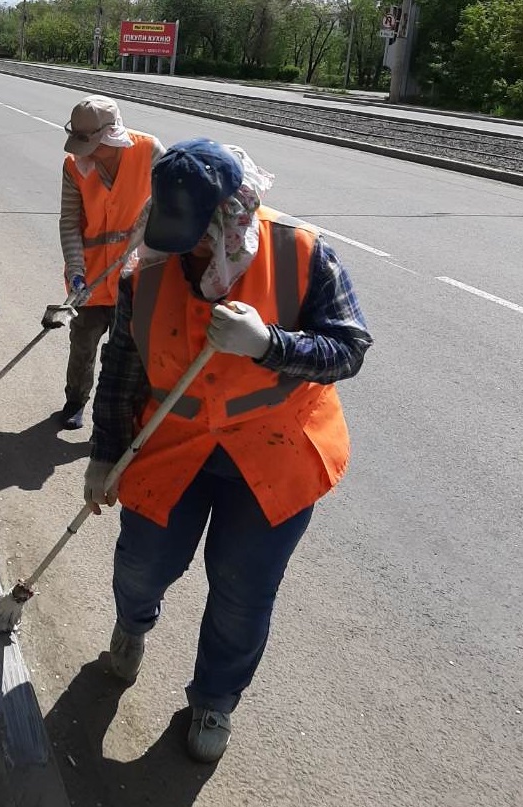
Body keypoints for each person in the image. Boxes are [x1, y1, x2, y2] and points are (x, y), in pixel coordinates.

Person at [83, 138, 373, 765]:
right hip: (172, 449)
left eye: (197, 233)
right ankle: (133, 624)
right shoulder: (149, 267)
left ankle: (215, 699)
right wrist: (104, 454)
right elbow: (124, 366)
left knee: (242, 592)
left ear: (232, 214)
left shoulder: (304, 255)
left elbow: (348, 349)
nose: (184, 249)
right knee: (142, 565)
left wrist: (269, 343)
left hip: (272, 458)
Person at [57, 95, 165, 430]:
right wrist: (76, 271)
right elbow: (70, 222)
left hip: (136, 276)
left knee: (128, 353)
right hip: (89, 278)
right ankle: (75, 400)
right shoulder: (75, 165)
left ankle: (119, 415)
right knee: (83, 344)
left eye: (93, 146)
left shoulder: (149, 152)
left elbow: (174, 205)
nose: (85, 153)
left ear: (111, 136)